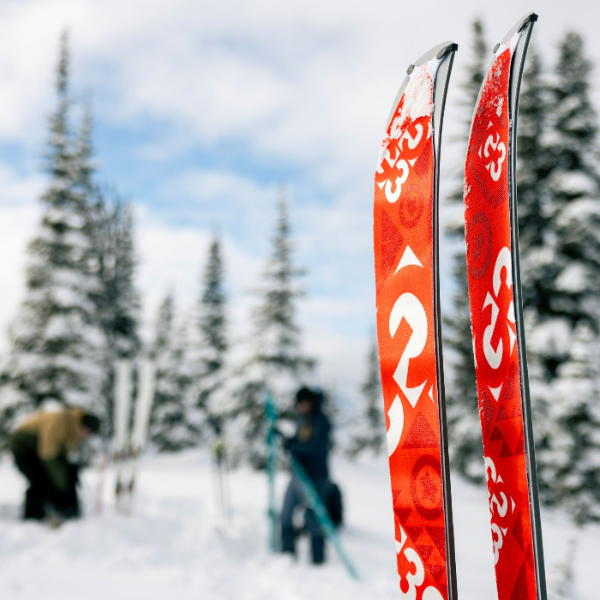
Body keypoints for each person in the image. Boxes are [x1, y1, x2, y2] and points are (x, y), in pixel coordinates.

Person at [9, 405, 101, 522]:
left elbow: (61, 459)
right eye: (88, 433)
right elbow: (49, 456)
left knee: (65, 473)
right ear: (83, 427)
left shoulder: (72, 430)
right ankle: (32, 519)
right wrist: (63, 487)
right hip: (22, 447)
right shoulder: (60, 421)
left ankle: (62, 510)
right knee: (38, 479)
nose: (87, 437)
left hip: (39, 450)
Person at [280, 386, 332, 565]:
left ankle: (318, 562)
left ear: (311, 402)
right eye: (299, 403)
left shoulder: (321, 421)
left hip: (316, 478)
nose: (302, 406)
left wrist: (293, 448)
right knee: (285, 514)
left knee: (313, 519)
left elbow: (316, 448)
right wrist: (287, 442)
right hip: (298, 475)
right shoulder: (302, 420)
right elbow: (298, 441)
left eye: (305, 402)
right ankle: (287, 557)